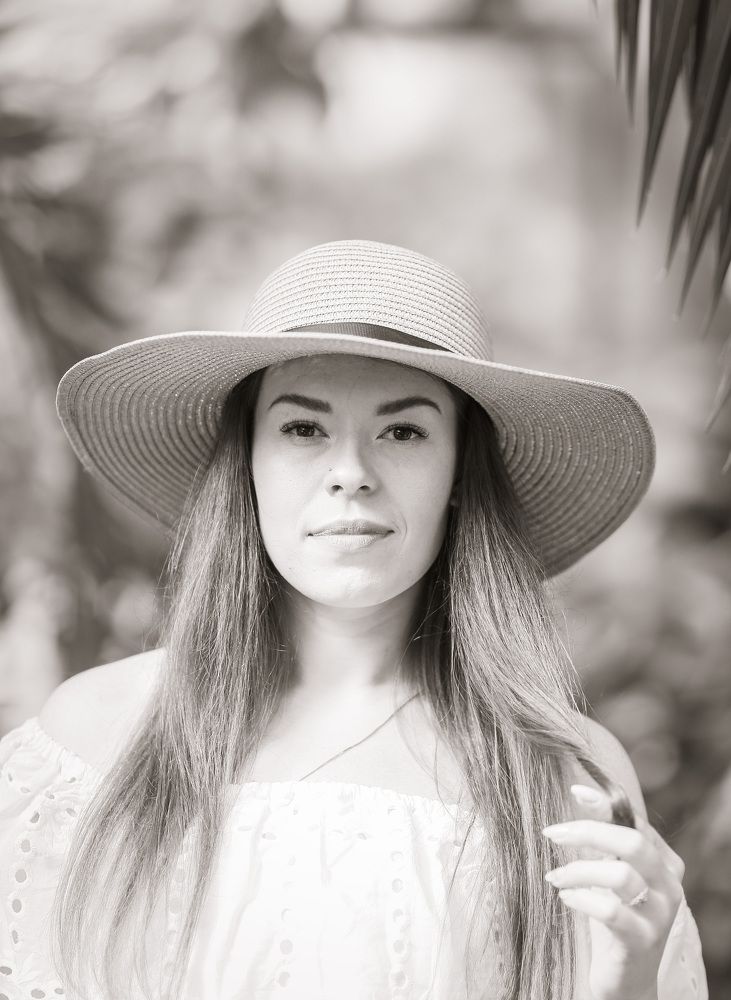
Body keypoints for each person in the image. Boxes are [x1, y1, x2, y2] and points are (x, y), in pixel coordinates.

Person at [0, 240, 707, 1000]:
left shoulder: (563, 775)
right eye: (303, 429)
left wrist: (629, 983)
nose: (351, 474)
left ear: (459, 474)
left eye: (403, 432)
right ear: (246, 464)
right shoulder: (95, 739)